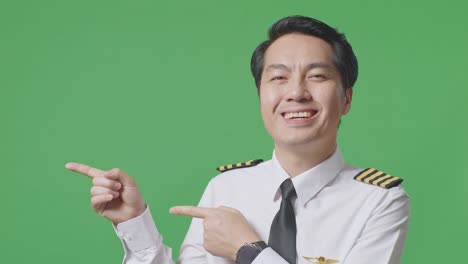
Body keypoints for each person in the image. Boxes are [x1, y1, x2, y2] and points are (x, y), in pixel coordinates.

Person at [66, 16, 410, 264]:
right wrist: (133, 222)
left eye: (317, 76)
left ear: (346, 99)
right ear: (261, 95)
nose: (296, 92)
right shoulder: (226, 187)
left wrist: (248, 250)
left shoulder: (379, 201)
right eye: (278, 77)